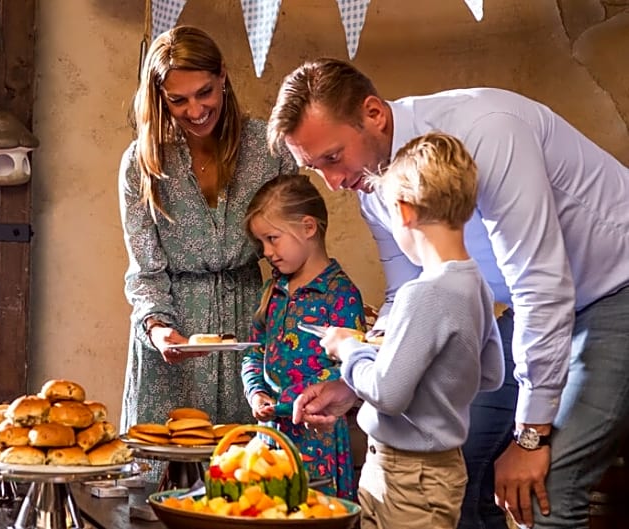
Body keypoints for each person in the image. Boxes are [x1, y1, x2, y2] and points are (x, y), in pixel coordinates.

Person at [270, 58, 629, 529]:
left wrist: (531, 438)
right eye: (314, 168)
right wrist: (359, 384)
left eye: (333, 158)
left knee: (546, 488)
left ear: (373, 113)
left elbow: (541, 284)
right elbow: (405, 292)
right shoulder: (372, 179)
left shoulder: (489, 131)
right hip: (531, 309)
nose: (333, 183)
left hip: (614, 290)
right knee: (461, 459)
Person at [320, 132, 505, 528]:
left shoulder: (422, 294)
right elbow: (490, 374)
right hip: (441, 471)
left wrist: (349, 350)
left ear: (402, 212)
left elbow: (388, 394)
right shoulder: (477, 284)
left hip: (406, 474)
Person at [118, 25, 296, 430]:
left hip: (250, 332)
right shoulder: (142, 163)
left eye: (204, 93)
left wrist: (291, 324)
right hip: (174, 342)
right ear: (159, 97)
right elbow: (145, 271)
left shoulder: (268, 149)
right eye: (178, 100)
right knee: (164, 474)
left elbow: (297, 249)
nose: (195, 110)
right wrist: (158, 329)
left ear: (223, 77)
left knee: (248, 473)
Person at [241, 173, 364, 499]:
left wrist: (291, 401)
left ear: (308, 228)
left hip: (318, 440)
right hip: (270, 440)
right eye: (262, 243)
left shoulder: (340, 293)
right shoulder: (272, 292)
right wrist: (256, 393)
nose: (266, 252)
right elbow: (254, 352)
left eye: (273, 238)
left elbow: (351, 367)